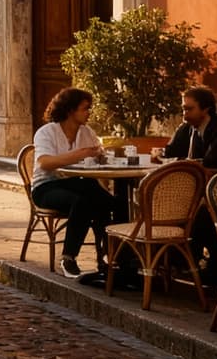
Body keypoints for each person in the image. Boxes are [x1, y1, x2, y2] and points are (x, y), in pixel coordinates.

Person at [28, 88, 138, 289]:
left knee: (114, 203)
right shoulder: (47, 132)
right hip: (47, 187)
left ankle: (115, 258)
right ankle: (71, 257)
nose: (89, 112)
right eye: (85, 108)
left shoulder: (87, 133)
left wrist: (104, 155)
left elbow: (98, 157)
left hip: (78, 184)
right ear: (70, 110)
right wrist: (81, 154)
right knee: (88, 201)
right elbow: (44, 163)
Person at [160, 86, 217, 280]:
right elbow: (169, 152)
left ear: (205, 109)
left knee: (198, 215)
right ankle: (176, 261)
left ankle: (206, 265)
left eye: (189, 109)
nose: (184, 114)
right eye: (183, 109)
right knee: (169, 209)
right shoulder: (189, 128)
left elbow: (213, 166)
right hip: (194, 191)